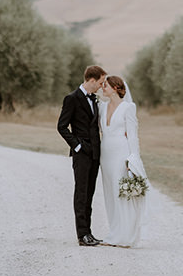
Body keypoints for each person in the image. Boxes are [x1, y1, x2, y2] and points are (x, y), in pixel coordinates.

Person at [57, 65, 106, 247]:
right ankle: (82, 235)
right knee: (81, 193)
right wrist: (76, 145)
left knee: (90, 194)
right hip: (81, 155)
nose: (102, 86)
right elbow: (61, 126)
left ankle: (89, 233)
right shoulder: (72, 99)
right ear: (91, 80)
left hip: (95, 154)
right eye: (100, 82)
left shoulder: (94, 99)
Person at [98, 75, 147, 247]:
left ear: (116, 88)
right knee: (110, 193)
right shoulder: (102, 107)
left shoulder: (128, 107)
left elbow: (133, 135)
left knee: (122, 194)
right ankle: (114, 233)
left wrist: (133, 158)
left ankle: (125, 236)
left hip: (121, 154)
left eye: (106, 85)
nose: (103, 87)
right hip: (105, 155)